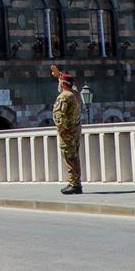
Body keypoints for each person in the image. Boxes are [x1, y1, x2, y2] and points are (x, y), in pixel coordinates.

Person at [51, 66, 82, 195]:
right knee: (75, 157)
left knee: (69, 158)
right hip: (76, 130)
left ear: (63, 84)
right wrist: (60, 75)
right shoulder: (76, 94)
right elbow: (71, 84)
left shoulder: (64, 97)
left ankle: (74, 184)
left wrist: (62, 130)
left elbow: (59, 116)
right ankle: (76, 183)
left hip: (68, 132)